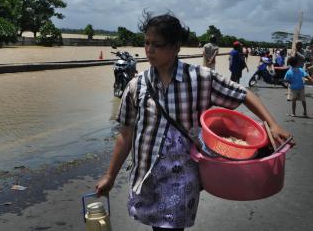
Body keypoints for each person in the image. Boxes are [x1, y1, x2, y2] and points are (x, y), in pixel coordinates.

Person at [95, 12, 291, 231]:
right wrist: (110, 176)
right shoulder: (136, 85)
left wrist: (272, 124)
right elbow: (126, 134)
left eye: (157, 45)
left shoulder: (201, 79)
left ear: (176, 47)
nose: (149, 50)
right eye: (146, 43)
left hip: (183, 177)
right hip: (147, 174)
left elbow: (244, 94)